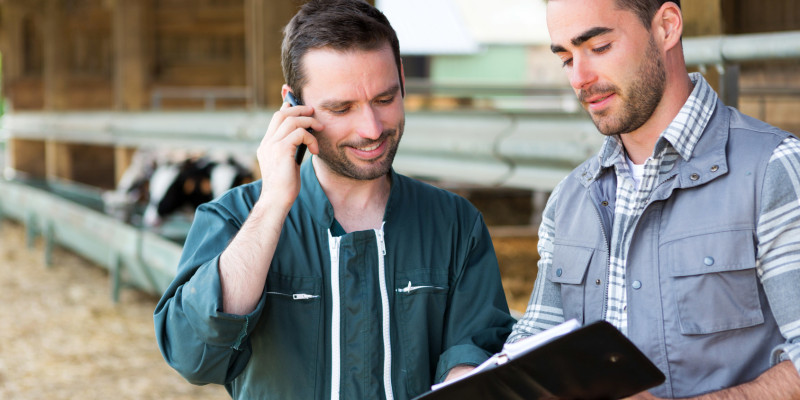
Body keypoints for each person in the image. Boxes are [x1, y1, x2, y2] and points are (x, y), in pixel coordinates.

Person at [153, 0, 515, 398]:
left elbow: (477, 344)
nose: (372, 128)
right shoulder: (233, 218)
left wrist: (464, 376)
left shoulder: (455, 223)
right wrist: (274, 202)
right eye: (341, 108)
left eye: (384, 99)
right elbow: (191, 355)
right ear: (293, 106)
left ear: (403, 86)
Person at [509, 0, 800, 398]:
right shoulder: (569, 199)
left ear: (666, 27)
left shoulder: (773, 169)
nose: (580, 77)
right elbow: (533, 345)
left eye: (598, 47)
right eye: (565, 58)